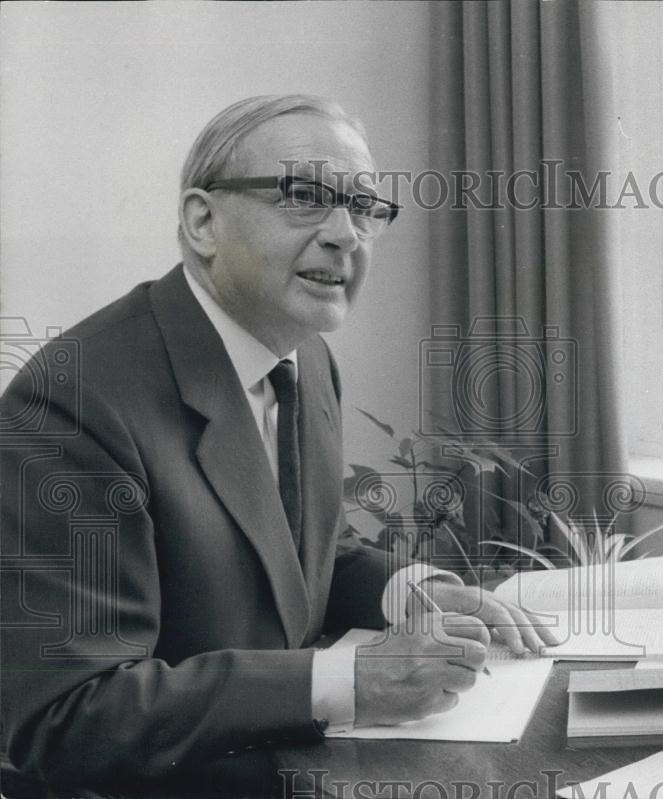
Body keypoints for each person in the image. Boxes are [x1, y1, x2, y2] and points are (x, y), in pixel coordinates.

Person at [0, 95, 555, 794]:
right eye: (305, 197)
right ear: (203, 221)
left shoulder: (307, 360)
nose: (346, 234)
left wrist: (414, 590)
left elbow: (295, 557)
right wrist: (348, 679)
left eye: (364, 207)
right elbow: (68, 715)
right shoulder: (71, 402)